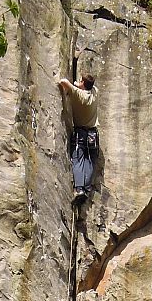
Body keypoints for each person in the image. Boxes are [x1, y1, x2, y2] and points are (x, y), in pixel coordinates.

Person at [58, 73, 99, 204]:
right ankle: (86, 189)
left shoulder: (78, 94)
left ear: (82, 84)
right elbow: (86, 85)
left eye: (80, 81)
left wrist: (74, 85)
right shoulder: (94, 92)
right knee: (90, 161)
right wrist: (79, 84)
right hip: (93, 134)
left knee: (78, 159)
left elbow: (63, 81)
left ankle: (79, 189)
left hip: (81, 132)